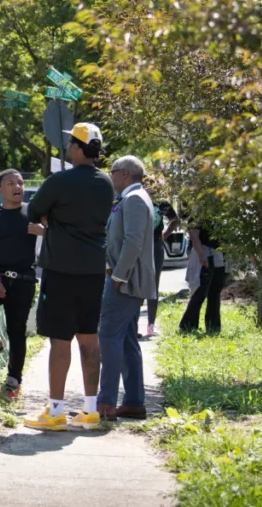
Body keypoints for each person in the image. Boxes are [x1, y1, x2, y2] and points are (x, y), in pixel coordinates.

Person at [23, 123, 115, 432]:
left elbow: (33, 212)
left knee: (59, 341)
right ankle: (90, 411)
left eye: (70, 144)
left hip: (60, 270)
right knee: (89, 339)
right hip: (92, 271)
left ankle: (57, 411)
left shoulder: (58, 181)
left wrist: (53, 218)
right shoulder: (106, 184)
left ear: (77, 148)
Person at [0, 169, 45, 399]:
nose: (17, 187)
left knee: (17, 332)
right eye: (10, 183)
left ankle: (13, 381)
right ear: (0, 189)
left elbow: (58, 232)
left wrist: (43, 231)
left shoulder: (32, 212)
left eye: (20, 183)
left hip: (24, 281)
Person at [97, 156, 157, 421]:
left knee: (108, 337)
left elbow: (133, 242)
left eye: (112, 172)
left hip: (125, 282)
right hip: (129, 281)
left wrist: (118, 277)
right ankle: (133, 402)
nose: (110, 177)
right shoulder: (135, 197)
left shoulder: (133, 199)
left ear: (123, 174)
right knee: (128, 341)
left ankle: (106, 403)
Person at [178, 219, 227, 334]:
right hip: (205, 255)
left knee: (215, 293)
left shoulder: (222, 212)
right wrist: (201, 255)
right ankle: (188, 325)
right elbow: (194, 236)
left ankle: (213, 327)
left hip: (219, 256)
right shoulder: (199, 213)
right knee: (200, 291)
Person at [145, 201, 178, 337]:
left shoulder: (161, 204)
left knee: (153, 285)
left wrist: (165, 234)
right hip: (139, 245)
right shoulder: (136, 198)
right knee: (136, 283)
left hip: (156, 246)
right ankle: (132, 326)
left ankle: (151, 325)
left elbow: (175, 220)